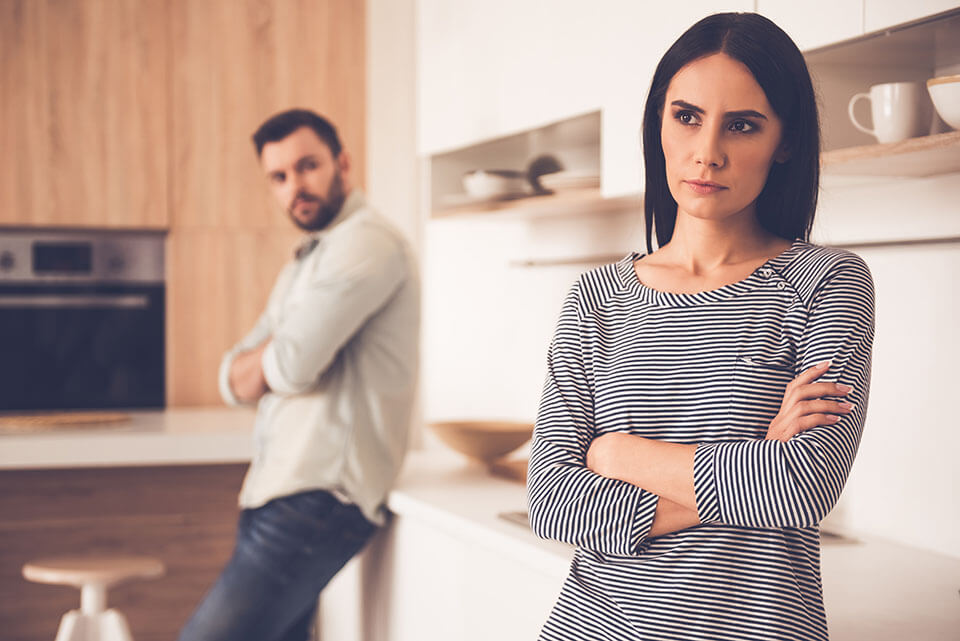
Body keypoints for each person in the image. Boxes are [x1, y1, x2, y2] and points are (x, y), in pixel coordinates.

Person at [527, 12, 874, 641]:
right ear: (659, 121)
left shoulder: (825, 281)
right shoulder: (597, 296)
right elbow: (550, 498)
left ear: (785, 142)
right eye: (687, 116)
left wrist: (617, 454)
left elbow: (803, 485)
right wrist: (755, 465)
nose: (707, 153)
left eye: (742, 126)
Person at [178, 109, 420, 641]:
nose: (295, 187)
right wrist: (275, 352)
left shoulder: (367, 243)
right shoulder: (306, 261)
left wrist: (273, 356)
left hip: (319, 500)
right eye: (279, 177)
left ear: (343, 164)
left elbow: (290, 366)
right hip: (279, 494)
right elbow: (230, 377)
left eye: (307, 167)